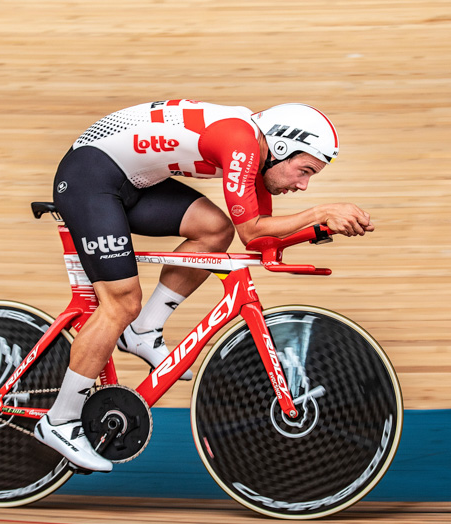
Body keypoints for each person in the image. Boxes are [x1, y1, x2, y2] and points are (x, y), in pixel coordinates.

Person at [33, 100, 375, 471]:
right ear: (280, 147)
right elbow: (254, 229)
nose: (303, 185)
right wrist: (319, 213)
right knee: (120, 303)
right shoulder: (241, 142)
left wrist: (315, 231)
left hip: (132, 182)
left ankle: (143, 332)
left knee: (214, 230)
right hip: (90, 177)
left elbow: (257, 241)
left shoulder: (257, 154)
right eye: (304, 171)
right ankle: (60, 421)